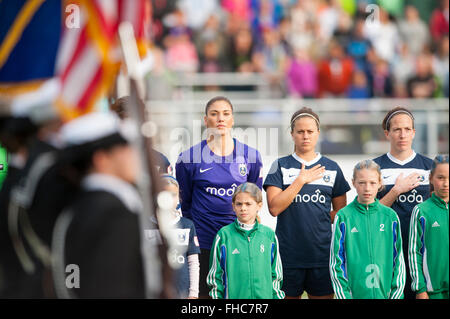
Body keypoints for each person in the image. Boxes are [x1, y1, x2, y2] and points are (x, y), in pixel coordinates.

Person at [51, 111, 146, 298]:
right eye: (125, 148)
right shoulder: (113, 213)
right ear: (101, 159)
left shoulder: (85, 204)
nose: (134, 155)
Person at [175, 96, 263, 297]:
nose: (220, 119)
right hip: (203, 241)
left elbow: (254, 198)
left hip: (239, 239)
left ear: (233, 119)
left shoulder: (250, 156)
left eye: (225, 114)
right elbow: (184, 201)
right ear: (206, 120)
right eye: (214, 114)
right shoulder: (189, 158)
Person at [264, 107, 350, 299]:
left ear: (318, 133)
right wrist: (300, 181)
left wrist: (317, 217)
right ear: (292, 134)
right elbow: (274, 208)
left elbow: (341, 214)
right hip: (288, 255)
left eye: (310, 131)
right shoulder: (280, 165)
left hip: (322, 255)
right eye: (300, 131)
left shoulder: (332, 168)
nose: (305, 136)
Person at [373, 106, 433, 299]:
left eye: (407, 129)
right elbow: (369, 215)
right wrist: (396, 191)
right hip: (387, 253)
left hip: (423, 254)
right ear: (387, 133)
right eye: (397, 129)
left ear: (414, 133)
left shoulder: (430, 167)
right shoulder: (374, 168)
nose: (402, 134)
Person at [329, 159, 406, 299]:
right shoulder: (344, 216)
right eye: (362, 183)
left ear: (380, 183)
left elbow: (398, 260)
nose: (367, 188)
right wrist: (345, 296)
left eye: (372, 183)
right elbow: (336, 261)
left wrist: (396, 295)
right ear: (353, 183)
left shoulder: (390, 217)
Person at [207, 182, 284, 299]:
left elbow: (276, 275)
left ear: (259, 205)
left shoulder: (269, 236)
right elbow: (215, 277)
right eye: (239, 204)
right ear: (233, 206)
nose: (243, 208)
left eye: (248, 204)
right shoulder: (223, 236)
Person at [145, 174, 201, 299]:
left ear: (179, 197)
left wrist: (193, 293)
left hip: (182, 291)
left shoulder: (187, 225)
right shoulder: (146, 225)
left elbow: (193, 262)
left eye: (173, 195)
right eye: (164, 194)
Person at [409, 155, 449, 299]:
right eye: (441, 178)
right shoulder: (421, 211)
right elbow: (414, 252)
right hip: (433, 292)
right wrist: (420, 288)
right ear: (431, 178)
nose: (446, 183)